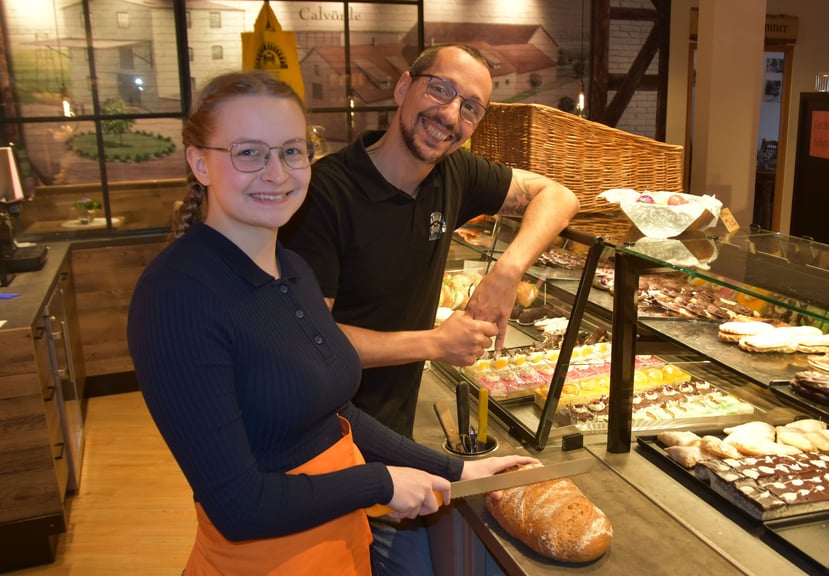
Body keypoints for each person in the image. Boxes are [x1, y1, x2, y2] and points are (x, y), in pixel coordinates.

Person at [126, 70, 536, 575]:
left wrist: (457, 468)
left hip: (337, 551)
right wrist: (381, 483)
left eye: (292, 151)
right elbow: (238, 506)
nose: (276, 173)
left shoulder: (291, 269)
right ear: (199, 163)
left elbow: (337, 415)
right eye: (248, 152)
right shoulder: (176, 296)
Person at [280, 44, 579, 574]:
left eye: (471, 107)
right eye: (440, 89)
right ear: (403, 88)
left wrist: (506, 272)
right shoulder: (327, 194)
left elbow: (559, 195)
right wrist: (436, 344)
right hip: (320, 445)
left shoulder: (453, 174)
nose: (450, 114)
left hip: (393, 437)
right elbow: (309, 346)